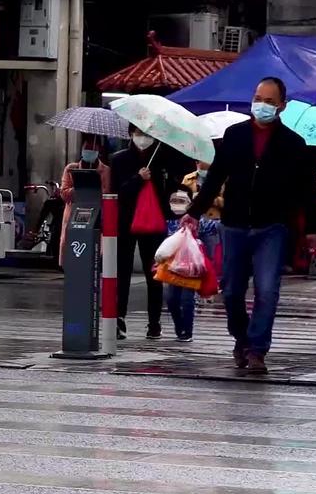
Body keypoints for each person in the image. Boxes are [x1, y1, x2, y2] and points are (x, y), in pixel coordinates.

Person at [186, 76, 315, 374]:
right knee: (231, 290)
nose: (262, 106)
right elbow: (215, 177)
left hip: (272, 226)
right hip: (233, 225)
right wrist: (194, 211)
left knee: (267, 290)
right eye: (259, 98)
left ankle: (257, 349)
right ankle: (241, 337)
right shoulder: (235, 135)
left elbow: (304, 191)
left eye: (270, 101)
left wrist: (311, 229)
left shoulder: (294, 144)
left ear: (282, 106)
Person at [110, 125, 183, 340]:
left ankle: (154, 322)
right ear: (131, 135)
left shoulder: (163, 158)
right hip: (126, 222)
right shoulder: (120, 159)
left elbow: (171, 191)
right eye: (138, 133)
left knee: (154, 272)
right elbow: (117, 192)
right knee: (122, 272)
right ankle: (118, 318)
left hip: (153, 223)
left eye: (147, 134)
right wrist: (137, 179)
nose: (143, 138)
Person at [163, 188, 219, 342]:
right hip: (172, 267)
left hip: (192, 267)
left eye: (181, 201)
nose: (176, 204)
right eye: (174, 201)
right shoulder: (166, 222)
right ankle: (179, 327)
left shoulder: (202, 223)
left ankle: (187, 331)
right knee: (171, 298)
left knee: (187, 299)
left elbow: (211, 242)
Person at [59, 135, 111, 267]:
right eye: (87, 148)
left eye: (93, 148)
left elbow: (106, 194)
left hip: (97, 215)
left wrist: (94, 184)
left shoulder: (105, 171)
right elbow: (64, 193)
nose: (90, 150)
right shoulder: (71, 168)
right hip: (74, 215)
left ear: (98, 150)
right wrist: (82, 185)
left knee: (95, 254)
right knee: (73, 252)